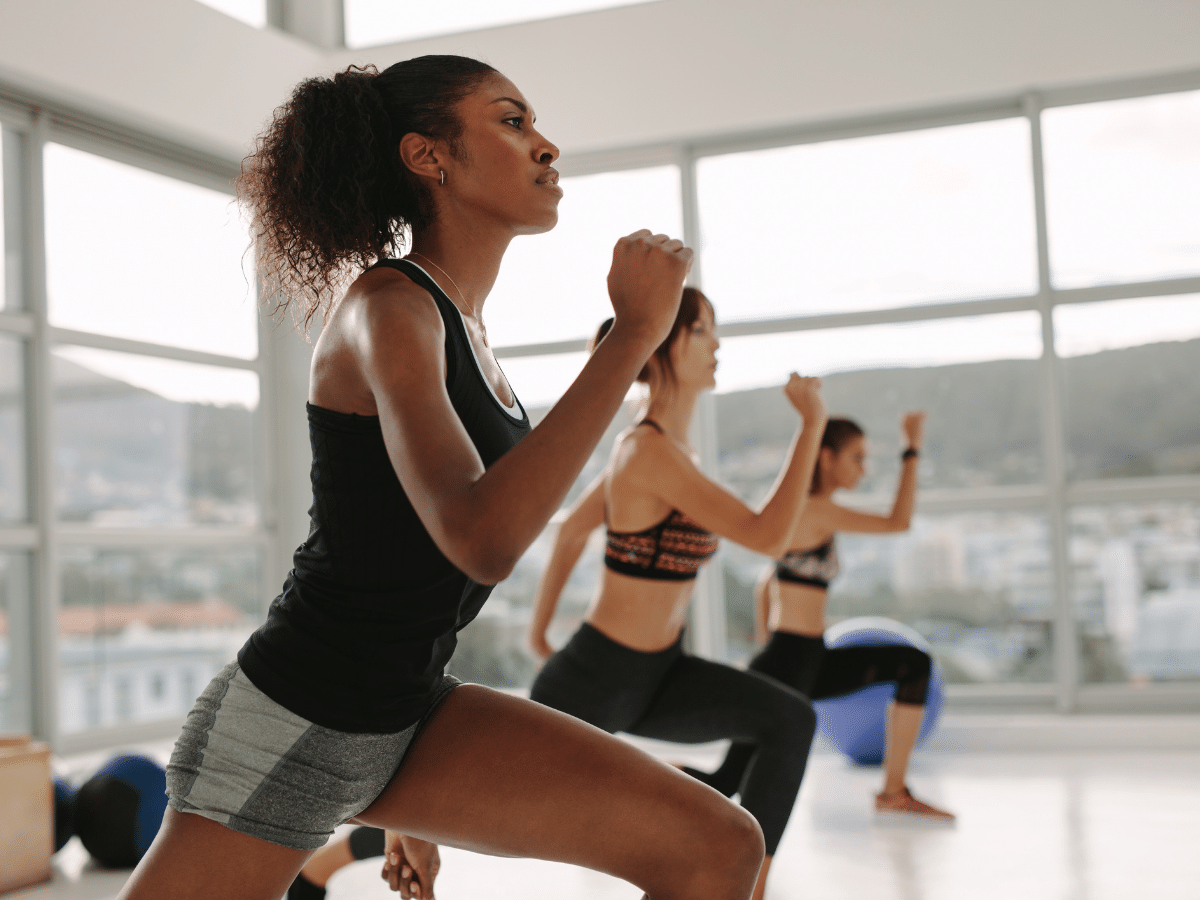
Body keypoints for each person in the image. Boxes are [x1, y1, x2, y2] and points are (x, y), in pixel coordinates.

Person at [117, 56, 771, 900]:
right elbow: (480, 536)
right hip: (292, 721)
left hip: (405, 711)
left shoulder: (463, 323)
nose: (545, 146)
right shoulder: (388, 309)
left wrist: (411, 805)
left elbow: (413, 563)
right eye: (511, 122)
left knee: (717, 845)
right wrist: (632, 337)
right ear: (430, 157)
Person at [527, 290, 828, 900]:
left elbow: (577, 530)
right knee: (479, 810)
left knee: (788, 720)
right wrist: (812, 427)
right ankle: (325, 866)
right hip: (596, 678)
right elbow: (769, 536)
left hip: (658, 676)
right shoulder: (647, 452)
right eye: (702, 331)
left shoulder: (666, 454)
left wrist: (540, 629)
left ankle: (748, 888)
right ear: (666, 341)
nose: (717, 344)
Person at [684, 412, 956, 821]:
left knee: (913, 666)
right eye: (857, 458)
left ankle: (893, 791)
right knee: (724, 783)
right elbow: (898, 522)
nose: (863, 469)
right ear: (826, 457)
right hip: (790, 661)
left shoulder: (812, 513)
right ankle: (633, 781)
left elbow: (766, 582)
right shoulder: (814, 510)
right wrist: (911, 448)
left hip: (804, 657)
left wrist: (767, 645)